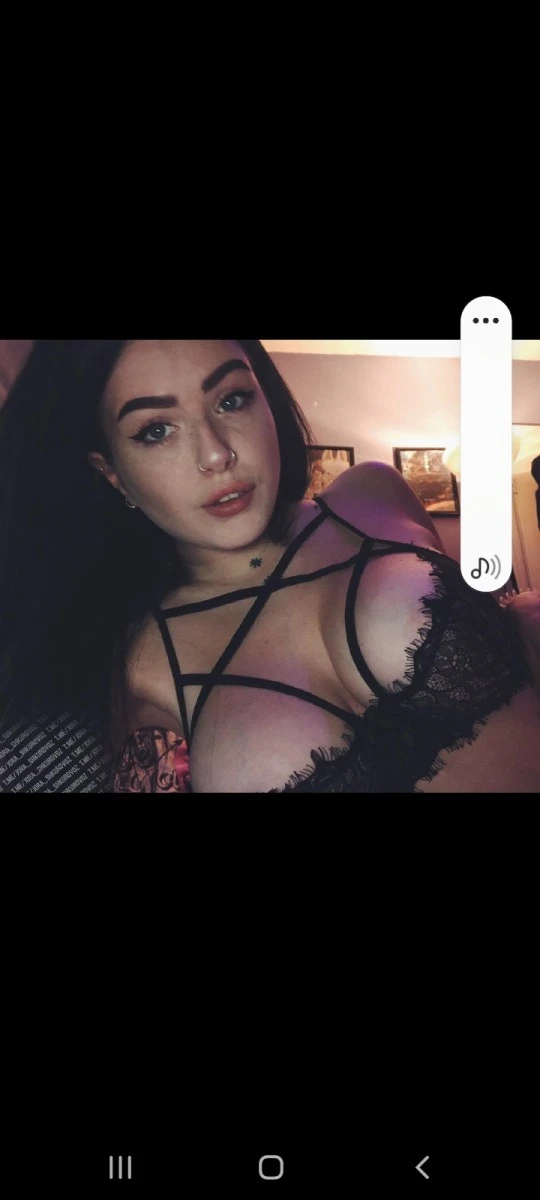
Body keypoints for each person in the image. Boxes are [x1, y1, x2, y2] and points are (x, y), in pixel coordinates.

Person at [0, 340, 538, 794]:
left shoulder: (374, 492)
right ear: (111, 472)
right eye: (157, 430)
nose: (216, 454)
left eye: (231, 399)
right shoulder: (142, 664)